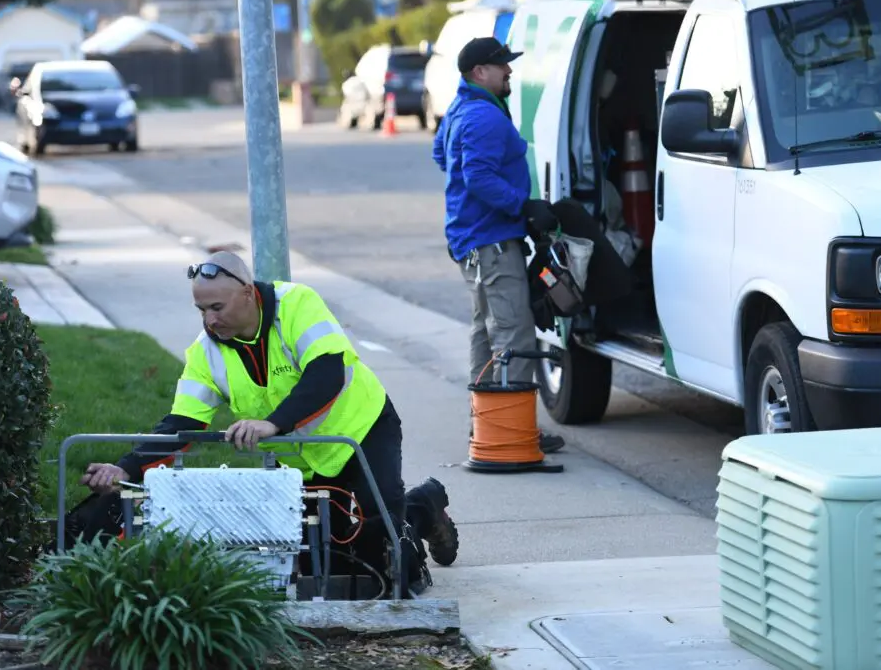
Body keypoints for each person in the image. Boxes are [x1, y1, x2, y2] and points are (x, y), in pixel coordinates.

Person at [75, 251, 459, 594]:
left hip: (361, 432)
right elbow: (179, 424)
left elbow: (327, 374)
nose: (209, 320)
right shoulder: (205, 353)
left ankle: (424, 506)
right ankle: (416, 507)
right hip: (303, 460)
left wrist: (272, 424)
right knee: (325, 557)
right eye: (201, 310)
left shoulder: (298, 304)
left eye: (217, 307)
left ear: (247, 293)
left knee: (389, 559)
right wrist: (124, 467)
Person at [431, 36, 565, 454]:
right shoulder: (483, 117)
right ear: (479, 73)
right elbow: (478, 177)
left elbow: (441, 156)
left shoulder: (460, 110)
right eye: (502, 65)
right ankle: (511, 433)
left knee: (485, 332)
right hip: (490, 240)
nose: (509, 70)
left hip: (472, 239)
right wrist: (521, 206)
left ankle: (487, 425)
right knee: (513, 333)